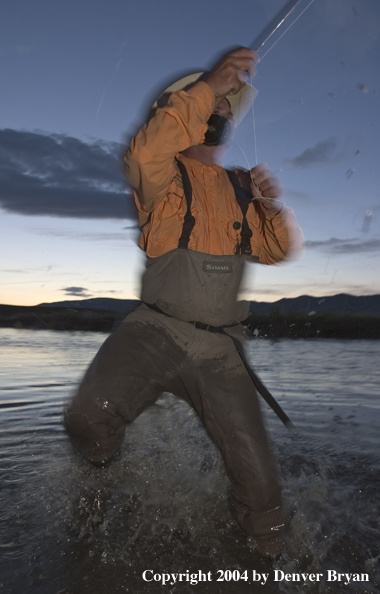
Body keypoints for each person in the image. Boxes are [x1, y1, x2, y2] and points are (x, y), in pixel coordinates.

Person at [64, 47, 303, 558]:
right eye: (209, 104)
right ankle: (100, 484)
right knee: (88, 416)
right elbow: (144, 153)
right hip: (154, 332)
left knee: (264, 494)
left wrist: (272, 207)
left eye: (223, 108)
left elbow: (278, 251)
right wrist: (210, 86)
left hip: (222, 352)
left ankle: (265, 563)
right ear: (178, 111)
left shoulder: (242, 187)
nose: (219, 112)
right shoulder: (161, 176)